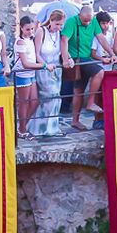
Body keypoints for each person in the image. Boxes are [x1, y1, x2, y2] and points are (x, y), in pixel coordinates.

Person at [61, 4, 102, 129]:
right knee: (99, 72)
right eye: (85, 20)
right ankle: (90, 102)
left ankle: (75, 121)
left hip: (85, 57)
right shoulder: (71, 22)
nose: (88, 23)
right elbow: (64, 40)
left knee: (78, 91)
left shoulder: (93, 21)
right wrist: (65, 59)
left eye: (90, 20)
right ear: (80, 16)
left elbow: (101, 38)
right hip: (76, 59)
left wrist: (111, 53)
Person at [35, 10, 72, 138]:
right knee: (49, 96)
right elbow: (37, 54)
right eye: (57, 24)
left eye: (61, 25)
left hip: (56, 70)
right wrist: (45, 65)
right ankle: (41, 128)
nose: (59, 27)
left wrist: (69, 59)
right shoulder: (41, 32)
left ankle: (52, 128)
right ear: (51, 21)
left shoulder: (58, 34)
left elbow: (63, 51)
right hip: (44, 69)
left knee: (57, 98)